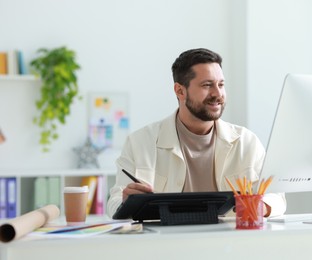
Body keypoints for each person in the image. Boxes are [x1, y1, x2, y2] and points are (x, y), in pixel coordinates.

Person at [107, 48, 286, 218]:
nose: (217, 93)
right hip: (165, 243)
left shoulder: (246, 142)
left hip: (229, 243)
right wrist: (125, 201)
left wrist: (263, 206)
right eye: (207, 85)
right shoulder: (140, 142)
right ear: (180, 90)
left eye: (221, 84)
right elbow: (113, 203)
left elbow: (277, 197)